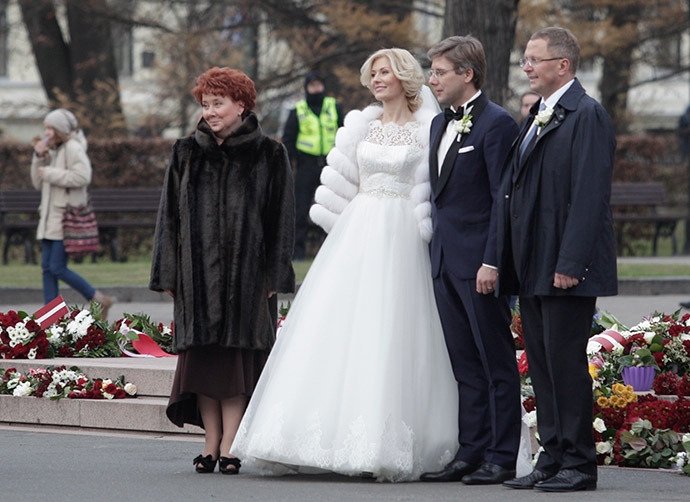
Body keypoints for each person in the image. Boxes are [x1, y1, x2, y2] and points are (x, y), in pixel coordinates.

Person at [230, 48, 460, 482]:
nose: (376, 79)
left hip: (402, 234)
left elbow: (431, 189)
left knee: (393, 327)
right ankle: (304, 438)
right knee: (336, 324)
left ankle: (385, 439)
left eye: (384, 71)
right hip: (357, 229)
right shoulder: (360, 124)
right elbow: (347, 181)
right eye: (372, 73)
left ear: (404, 77)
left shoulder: (430, 126)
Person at [149, 67, 295, 475]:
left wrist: (274, 276)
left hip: (246, 281)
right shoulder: (185, 152)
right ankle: (210, 443)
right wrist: (168, 274)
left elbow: (281, 222)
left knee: (233, 367)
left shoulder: (269, 153)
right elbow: (169, 220)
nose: (210, 112)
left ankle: (231, 444)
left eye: (218, 103)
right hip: (195, 279)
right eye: (205, 104)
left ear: (241, 105)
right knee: (203, 367)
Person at [497, 27, 617, 492]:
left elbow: (589, 196)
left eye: (534, 59)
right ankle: (552, 454)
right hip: (533, 264)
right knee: (543, 365)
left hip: (564, 266)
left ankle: (579, 463)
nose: (526, 66)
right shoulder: (540, 114)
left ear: (562, 65)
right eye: (525, 58)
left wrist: (571, 261)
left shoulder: (585, 114)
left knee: (565, 366)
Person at [419, 36, 524, 486]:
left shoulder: (497, 124)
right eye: (431, 71)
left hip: (481, 265)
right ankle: (471, 450)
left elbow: (505, 200)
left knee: (495, 363)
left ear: (468, 74)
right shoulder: (439, 125)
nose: (432, 79)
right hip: (444, 261)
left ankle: (502, 455)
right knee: (464, 364)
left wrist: (493, 261)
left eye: (440, 71)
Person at [30, 108, 114, 318]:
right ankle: (51, 317)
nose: (46, 132)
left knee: (57, 268)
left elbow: (83, 176)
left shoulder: (72, 148)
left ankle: (98, 298)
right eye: (45, 127)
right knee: (47, 268)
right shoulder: (55, 149)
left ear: (60, 130)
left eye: (50, 128)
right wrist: (39, 157)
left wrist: (51, 173)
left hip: (65, 219)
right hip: (49, 218)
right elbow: (38, 183)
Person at [282, 70, 344, 260]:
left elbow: (344, 133)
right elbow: (289, 140)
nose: (316, 89)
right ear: (307, 88)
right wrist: (289, 166)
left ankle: (329, 248)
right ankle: (298, 252)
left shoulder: (334, 107)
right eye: (312, 86)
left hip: (330, 164)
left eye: (319, 85)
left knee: (331, 207)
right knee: (301, 209)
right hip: (306, 165)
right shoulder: (298, 110)